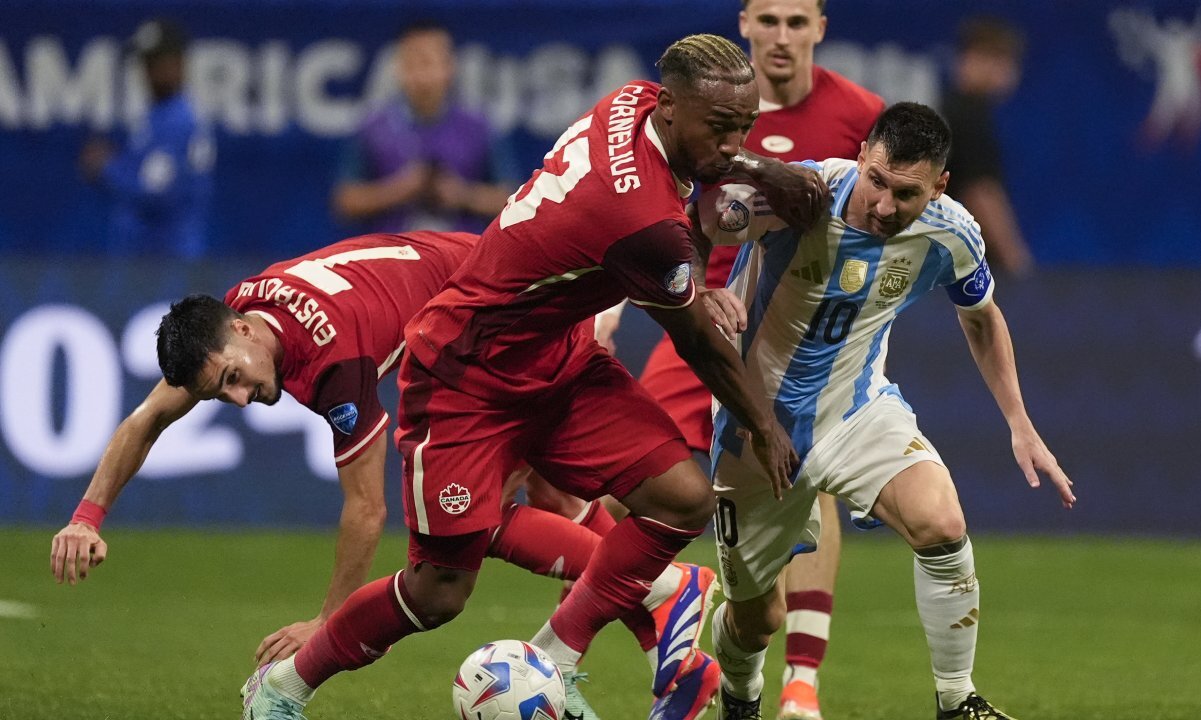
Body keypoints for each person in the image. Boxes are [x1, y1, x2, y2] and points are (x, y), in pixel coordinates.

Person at [240, 34, 830, 720]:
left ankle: (556, 656)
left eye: (745, 126)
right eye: (720, 126)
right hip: (466, 375)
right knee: (438, 592)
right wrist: (763, 425)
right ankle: (283, 687)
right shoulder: (637, 217)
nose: (732, 142)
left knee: (680, 498)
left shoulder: (633, 101)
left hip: (558, 358)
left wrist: (755, 167)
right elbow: (699, 338)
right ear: (670, 107)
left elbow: (705, 167)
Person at [48, 231, 717, 716]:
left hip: (491, 335)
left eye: (233, 381)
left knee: (454, 556)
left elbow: (365, 509)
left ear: (245, 333)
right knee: (516, 508)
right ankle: (655, 612)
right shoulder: (241, 313)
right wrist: (88, 515)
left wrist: (328, 620)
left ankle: (659, 592)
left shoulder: (334, 361)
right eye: (220, 392)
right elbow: (146, 419)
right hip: (493, 288)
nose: (238, 400)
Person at [694, 103, 1075, 720]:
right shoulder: (801, 197)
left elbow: (981, 319)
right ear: (863, 152)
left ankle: (957, 701)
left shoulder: (952, 231)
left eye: (907, 193)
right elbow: (699, 216)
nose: (883, 205)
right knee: (755, 618)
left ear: (939, 187)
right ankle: (740, 695)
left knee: (942, 522)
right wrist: (697, 284)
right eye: (876, 180)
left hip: (857, 410)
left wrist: (1020, 423)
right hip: (754, 424)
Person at [621, 4, 883, 717]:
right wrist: (687, 291)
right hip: (700, 315)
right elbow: (658, 201)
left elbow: (885, 227)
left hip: (796, 331)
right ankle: (684, 627)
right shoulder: (704, 105)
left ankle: (802, 679)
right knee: (629, 478)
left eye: (797, 21)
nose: (781, 36)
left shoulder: (861, 116)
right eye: (768, 19)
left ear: (820, 28)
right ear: (744, 23)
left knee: (809, 472)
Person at [331, 20, 512, 235]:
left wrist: (462, 195)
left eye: (428, 63)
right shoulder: (373, 127)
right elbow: (345, 200)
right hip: (391, 254)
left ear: (449, 66)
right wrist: (400, 189)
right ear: (398, 68)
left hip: (462, 254)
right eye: (411, 64)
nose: (421, 76)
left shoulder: (479, 126)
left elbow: (510, 199)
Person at [79, 18, 214, 258]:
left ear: (179, 62)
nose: (148, 72)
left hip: (168, 261)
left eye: (156, 62)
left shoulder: (180, 120)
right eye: (145, 63)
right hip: (145, 260)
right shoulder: (157, 115)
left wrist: (106, 167)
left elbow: (155, 193)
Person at [940, 17, 1033, 278]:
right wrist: (1015, 258)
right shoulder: (968, 115)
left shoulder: (946, 108)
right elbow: (981, 193)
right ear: (977, 58)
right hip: (963, 266)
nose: (1012, 73)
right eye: (1006, 62)